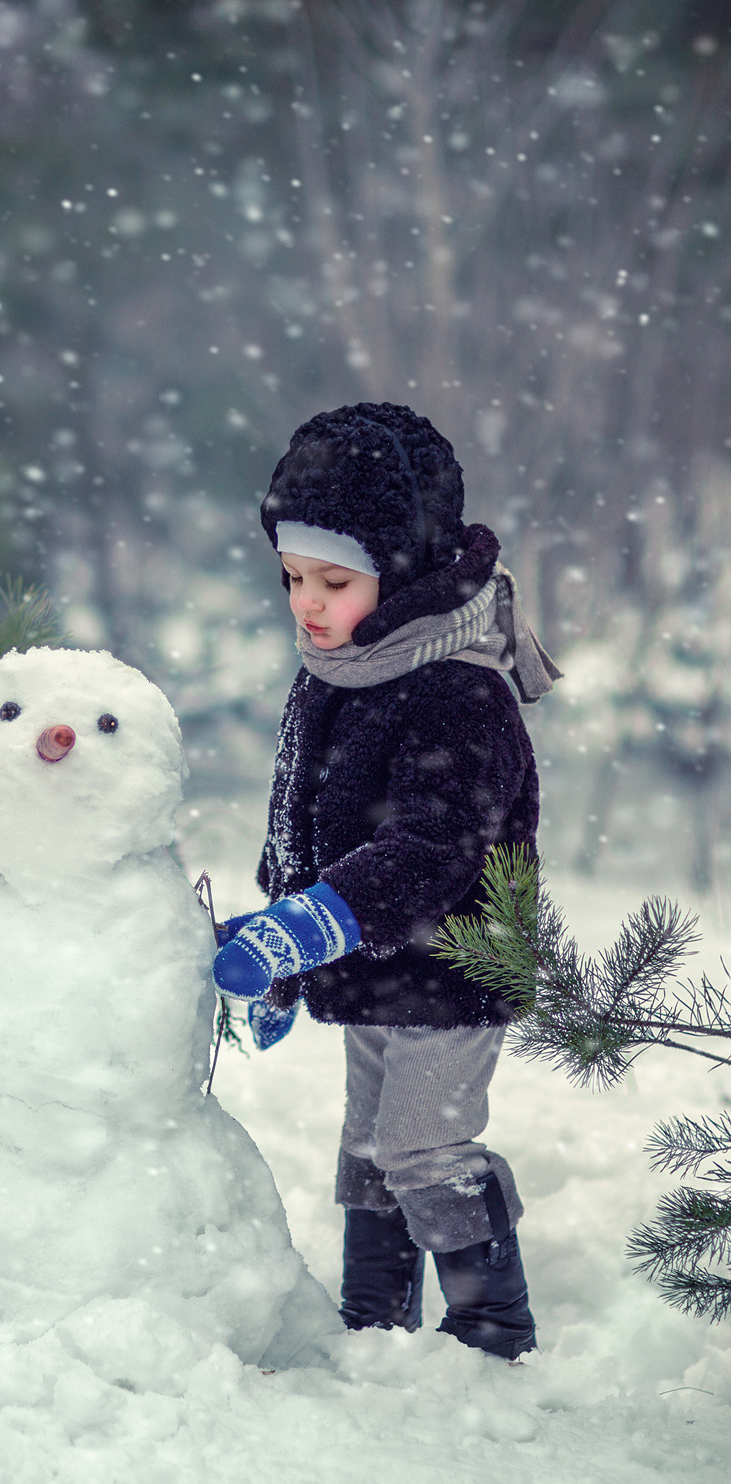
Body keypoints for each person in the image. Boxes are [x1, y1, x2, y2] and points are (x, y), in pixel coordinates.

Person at [212, 401, 560, 1362]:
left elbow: (433, 846)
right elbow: (300, 825)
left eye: (333, 578)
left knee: (422, 1146)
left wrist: (309, 927)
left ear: (401, 573)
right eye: (290, 576)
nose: (306, 602)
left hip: (450, 967)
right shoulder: (339, 667)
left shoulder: (459, 689)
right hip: (372, 959)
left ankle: (492, 1331)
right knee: (368, 1142)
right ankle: (376, 1320)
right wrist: (290, 950)